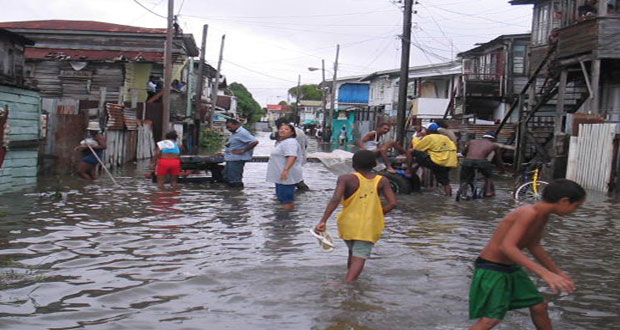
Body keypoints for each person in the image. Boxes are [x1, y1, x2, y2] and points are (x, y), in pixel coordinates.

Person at [469, 179, 586, 330]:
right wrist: (545, 273)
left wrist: (557, 272)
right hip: (492, 269)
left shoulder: (543, 216)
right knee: (491, 319)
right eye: (576, 206)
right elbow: (507, 247)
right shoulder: (528, 212)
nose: (575, 211)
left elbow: (533, 245)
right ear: (564, 201)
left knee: (539, 306)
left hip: (511, 268)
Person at [314, 150, 397, 283]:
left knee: (353, 252)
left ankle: (350, 278)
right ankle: (348, 284)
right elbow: (393, 203)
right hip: (368, 225)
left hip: (348, 223)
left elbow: (335, 199)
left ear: (353, 164)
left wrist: (323, 220)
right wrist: (378, 213)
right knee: (360, 255)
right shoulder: (382, 180)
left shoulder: (345, 179)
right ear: (374, 164)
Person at [407, 123, 458, 196]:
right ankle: (448, 199)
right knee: (446, 182)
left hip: (437, 161)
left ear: (428, 130)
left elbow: (417, 147)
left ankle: (409, 170)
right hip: (448, 163)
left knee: (410, 151)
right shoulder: (445, 138)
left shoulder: (430, 137)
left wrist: (416, 137)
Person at [266, 123, 304, 210]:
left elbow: (292, 156)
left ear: (292, 133)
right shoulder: (282, 142)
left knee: (286, 198)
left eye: (286, 129)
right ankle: (282, 217)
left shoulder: (290, 142)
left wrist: (286, 170)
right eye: (281, 129)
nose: (282, 130)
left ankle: (287, 218)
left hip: (287, 175)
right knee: (281, 197)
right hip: (280, 174)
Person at [460, 131, 504, 197]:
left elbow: (463, 153)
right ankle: (488, 192)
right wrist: (502, 170)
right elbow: (498, 160)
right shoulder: (494, 145)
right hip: (482, 162)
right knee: (489, 176)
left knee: (464, 179)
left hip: (467, 161)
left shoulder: (471, 142)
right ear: (493, 139)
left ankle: (463, 194)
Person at [271, 118, 309, 192]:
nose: (280, 130)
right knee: (295, 178)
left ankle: (299, 194)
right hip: (297, 159)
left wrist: (285, 168)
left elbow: (290, 153)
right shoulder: (299, 131)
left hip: (288, 161)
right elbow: (306, 144)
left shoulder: (288, 136)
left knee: (290, 180)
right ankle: (302, 196)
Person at [224, 118, 258, 188]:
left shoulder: (242, 132)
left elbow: (254, 141)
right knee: (227, 176)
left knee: (235, 180)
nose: (229, 129)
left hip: (237, 159)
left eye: (230, 127)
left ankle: (236, 194)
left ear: (236, 125)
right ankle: (233, 195)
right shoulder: (235, 133)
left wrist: (243, 150)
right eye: (227, 127)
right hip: (231, 158)